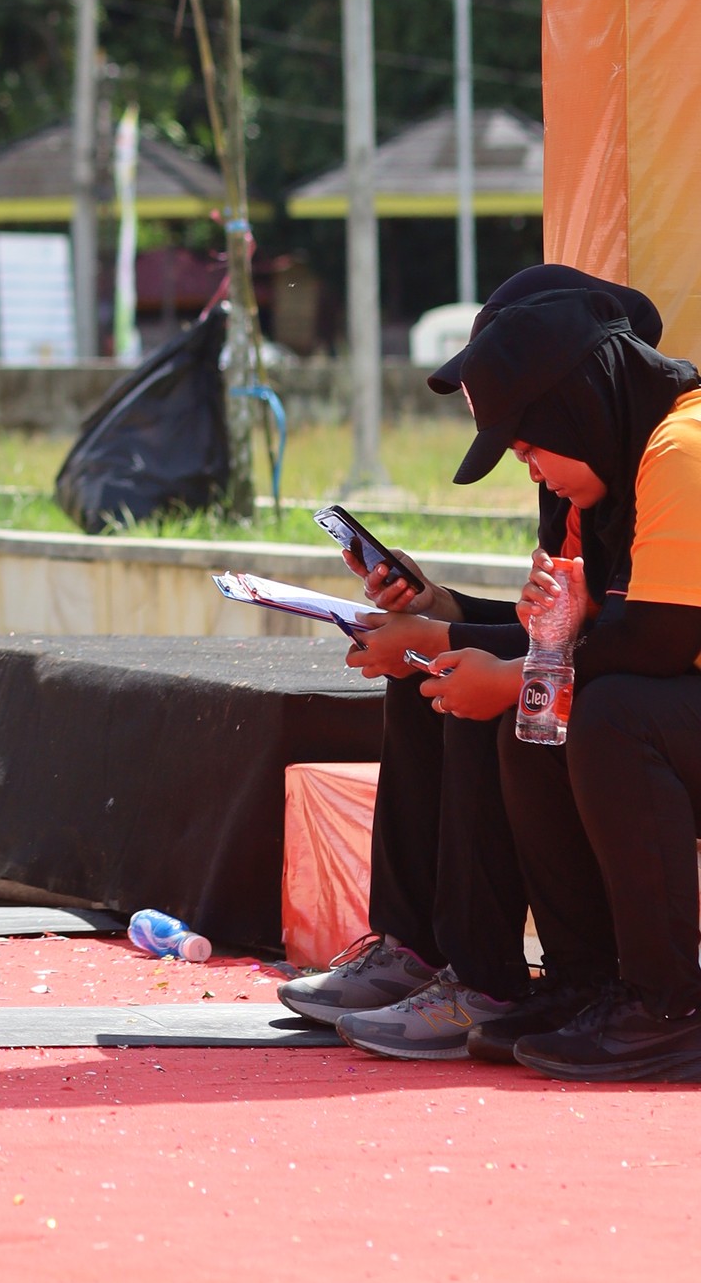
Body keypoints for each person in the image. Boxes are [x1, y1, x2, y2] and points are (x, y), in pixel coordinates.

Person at [277, 263, 661, 1060]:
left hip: (649, 705)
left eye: (528, 445)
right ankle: (416, 948)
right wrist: (441, 609)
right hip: (624, 681)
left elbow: (634, 643)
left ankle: (486, 978)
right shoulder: (582, 475)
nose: (531, 468)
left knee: (477, 684)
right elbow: (561, 630)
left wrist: (459, 649)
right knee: (437, 665)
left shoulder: (660, 464)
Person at [415, 277, 701, 1082]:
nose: (534, 472)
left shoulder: (682, 448)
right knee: (546, 714)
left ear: (577, 410)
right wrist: (549, 643)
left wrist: (522, 672)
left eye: (530, 448)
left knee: (605, 712)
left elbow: (661, 640)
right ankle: (588, 984)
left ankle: (670, 1008)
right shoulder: (632, 459)